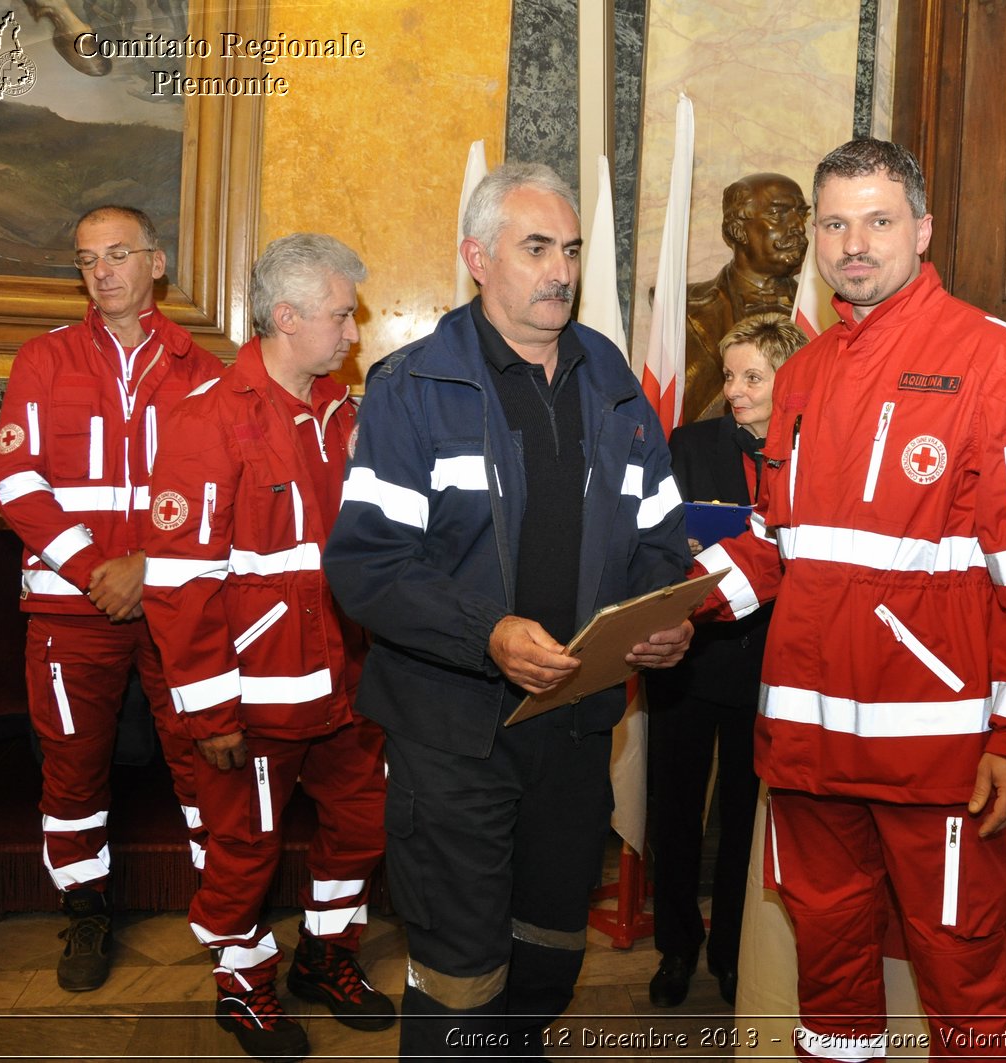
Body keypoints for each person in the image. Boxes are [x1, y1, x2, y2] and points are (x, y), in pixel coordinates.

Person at [692, 138, 1006, 1058]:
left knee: (967, 993)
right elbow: (776, 542)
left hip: (937, 755)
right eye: (834, 223)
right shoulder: (802, 370)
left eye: (877, 220)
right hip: (808, 751)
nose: (853, 242)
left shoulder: (1000, 362)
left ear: (921, 228)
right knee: (828, 992)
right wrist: (677, 604)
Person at [321, 162, 693, 1059]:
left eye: (569, 248)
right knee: (460, 977)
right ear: (476, 258)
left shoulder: (614, 382)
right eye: (536, 248)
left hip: (572, 727)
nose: (560, 270)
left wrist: (660, 614)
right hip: (454, 735)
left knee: (546, 965)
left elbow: (659, 532)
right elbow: (366, 566)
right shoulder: (414, 387)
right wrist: (486, 632)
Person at [140, 234, 392, 1062]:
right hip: (253, 698)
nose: (352, 331)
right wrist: (210, 709)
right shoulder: (207, 419)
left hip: (345, 691)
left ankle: (328, 953)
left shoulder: (341, 417)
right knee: (243, 853)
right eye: (339, 314)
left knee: (360, 826)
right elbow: (180, 586)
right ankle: (244, 983)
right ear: (286, 318)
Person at [0, 204, 218, 992]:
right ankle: (84, 908)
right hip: (68, 606)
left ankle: (223, 914)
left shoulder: (204, 371)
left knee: (200, 759)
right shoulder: (42, 359)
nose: (103, 271)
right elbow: (17, 483)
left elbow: (218, 493)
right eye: (87, 259)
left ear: (157, 262)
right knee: (73, 766)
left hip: (177, 604)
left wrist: (147, 566)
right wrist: (97, 568)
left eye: (118, 253)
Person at [646, 313, 807, 1009]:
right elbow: (652, 541)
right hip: (689, 656)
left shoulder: (819, 453)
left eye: (752, 377)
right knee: (674, 811)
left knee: (748, 820)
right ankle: (677, 945)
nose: (734, 390)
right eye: (730, 374)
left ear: (790, 381)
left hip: (773, 669)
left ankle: (734, 949)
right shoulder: (687, 443)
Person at [683, 172, 809, 423]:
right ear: (738, 230)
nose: (798, 226)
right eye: (778, 213)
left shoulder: (827, 314)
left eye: (801, 214)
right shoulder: (688, 308)